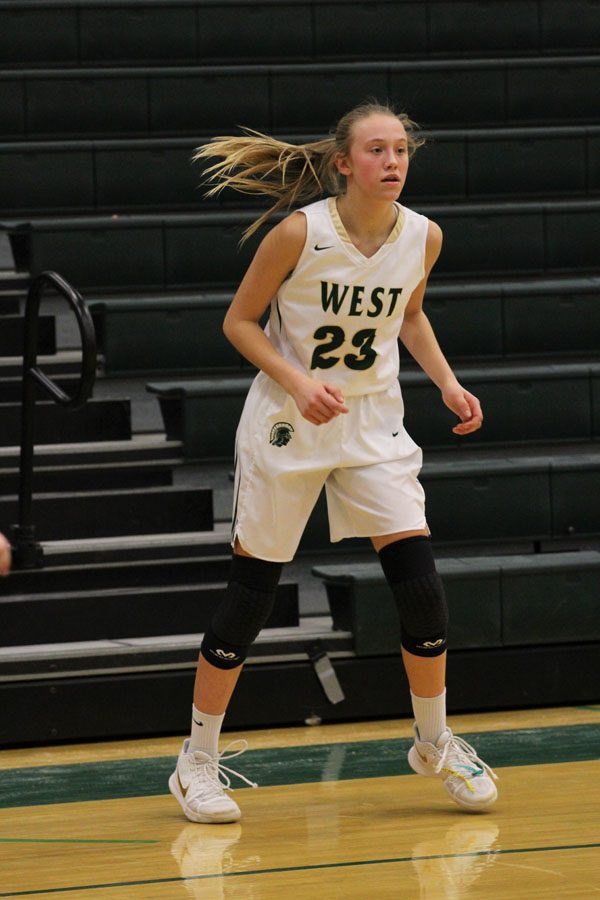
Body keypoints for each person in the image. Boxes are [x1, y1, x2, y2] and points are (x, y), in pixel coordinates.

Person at [169, 100, 498, 824]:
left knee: (421, 587)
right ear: (345, 163)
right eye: (377, 151)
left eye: (402, 151)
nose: (393, 162)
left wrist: (446, 381)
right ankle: (195, 762)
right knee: (252, 593)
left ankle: (435, 742)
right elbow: (238, 321)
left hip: (373, 423)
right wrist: (296, 380)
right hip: (290, 424)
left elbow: (407, 314)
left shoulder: (423, 236)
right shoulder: (300, 231)